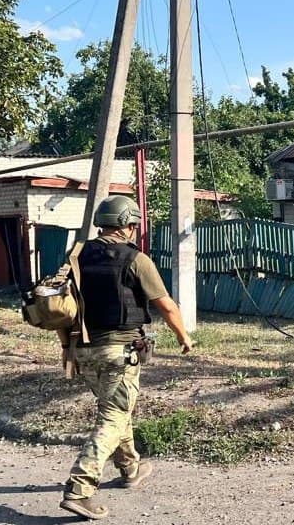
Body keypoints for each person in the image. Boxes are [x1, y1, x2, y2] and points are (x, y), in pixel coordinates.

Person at [59, 195, 194, 521]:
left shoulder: (76, 256)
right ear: (128, 226)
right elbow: (165, 304)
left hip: (83, 351)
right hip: (119, 352)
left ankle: (130, 468)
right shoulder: (136, 260)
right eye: (134, 225)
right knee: (112, 418)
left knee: (118, 410)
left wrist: (68, 350)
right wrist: (183, 336)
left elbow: (61, 305)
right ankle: (80, 488)